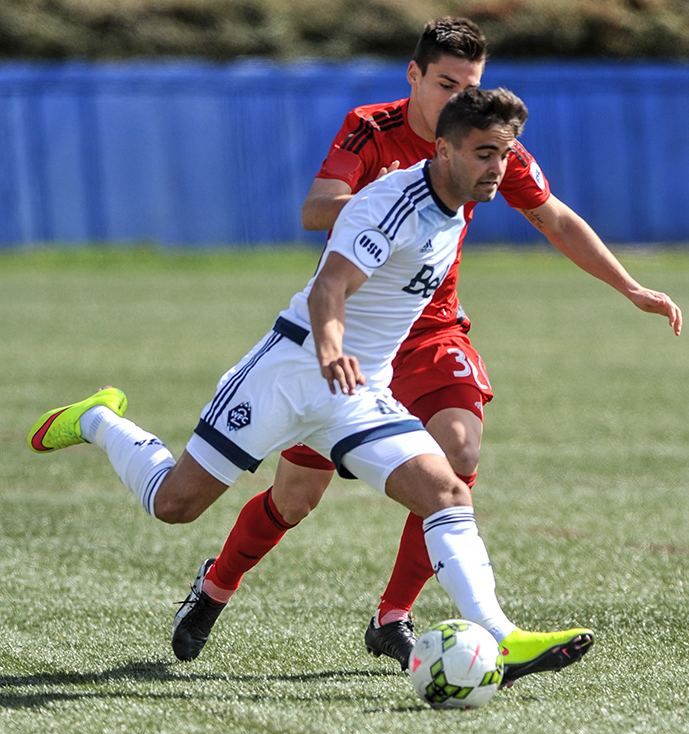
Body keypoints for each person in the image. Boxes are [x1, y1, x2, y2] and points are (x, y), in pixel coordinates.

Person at [156, 17, 683, 672]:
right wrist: (396, 198)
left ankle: (393, 615)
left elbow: (555, 217)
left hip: (431, 330)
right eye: (445, 83)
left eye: (471, 84)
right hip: (351, 332)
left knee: (457, 452)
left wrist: (629, 287)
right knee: (295, 498)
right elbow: (316, 209)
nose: (458, 96)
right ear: (413, 77)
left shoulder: (485, 145)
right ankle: (215, 588)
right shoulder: (372, 129)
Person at [29, 87, 596, 685]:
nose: (497, 169)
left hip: (357, 394)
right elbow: (329, 287)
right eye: (484, 154)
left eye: (504, 154)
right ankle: (98, 418)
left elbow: (548, 215)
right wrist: (330, 349)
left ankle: (501, 638)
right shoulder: (393, 203)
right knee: (175, 505)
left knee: (448, 494)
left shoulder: (455, 203)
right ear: (444, 148)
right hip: (292, 373)